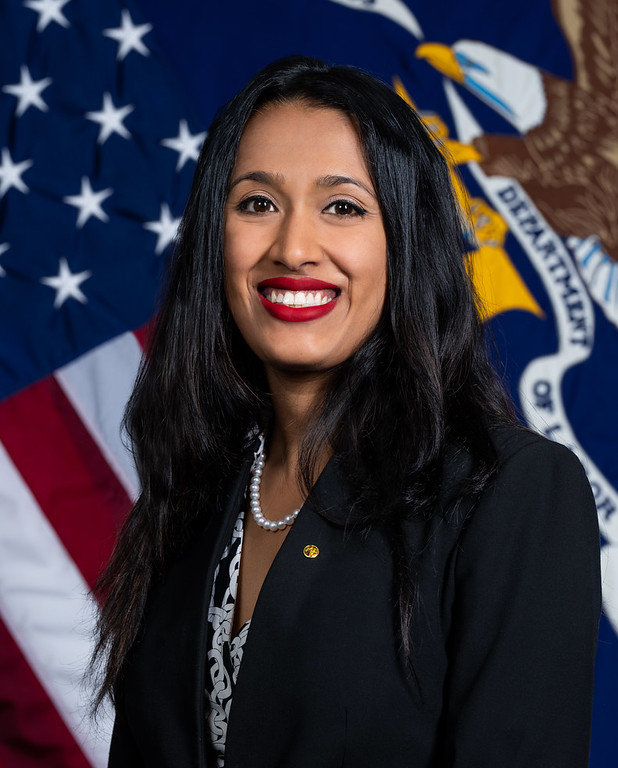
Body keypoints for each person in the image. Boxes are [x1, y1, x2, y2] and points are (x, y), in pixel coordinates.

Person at [93, 56, 601, 767]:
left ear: (407, 242)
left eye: (343, 207)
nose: (293, 248)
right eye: (257, 203)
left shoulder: (512, 494)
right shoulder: (190, 500)